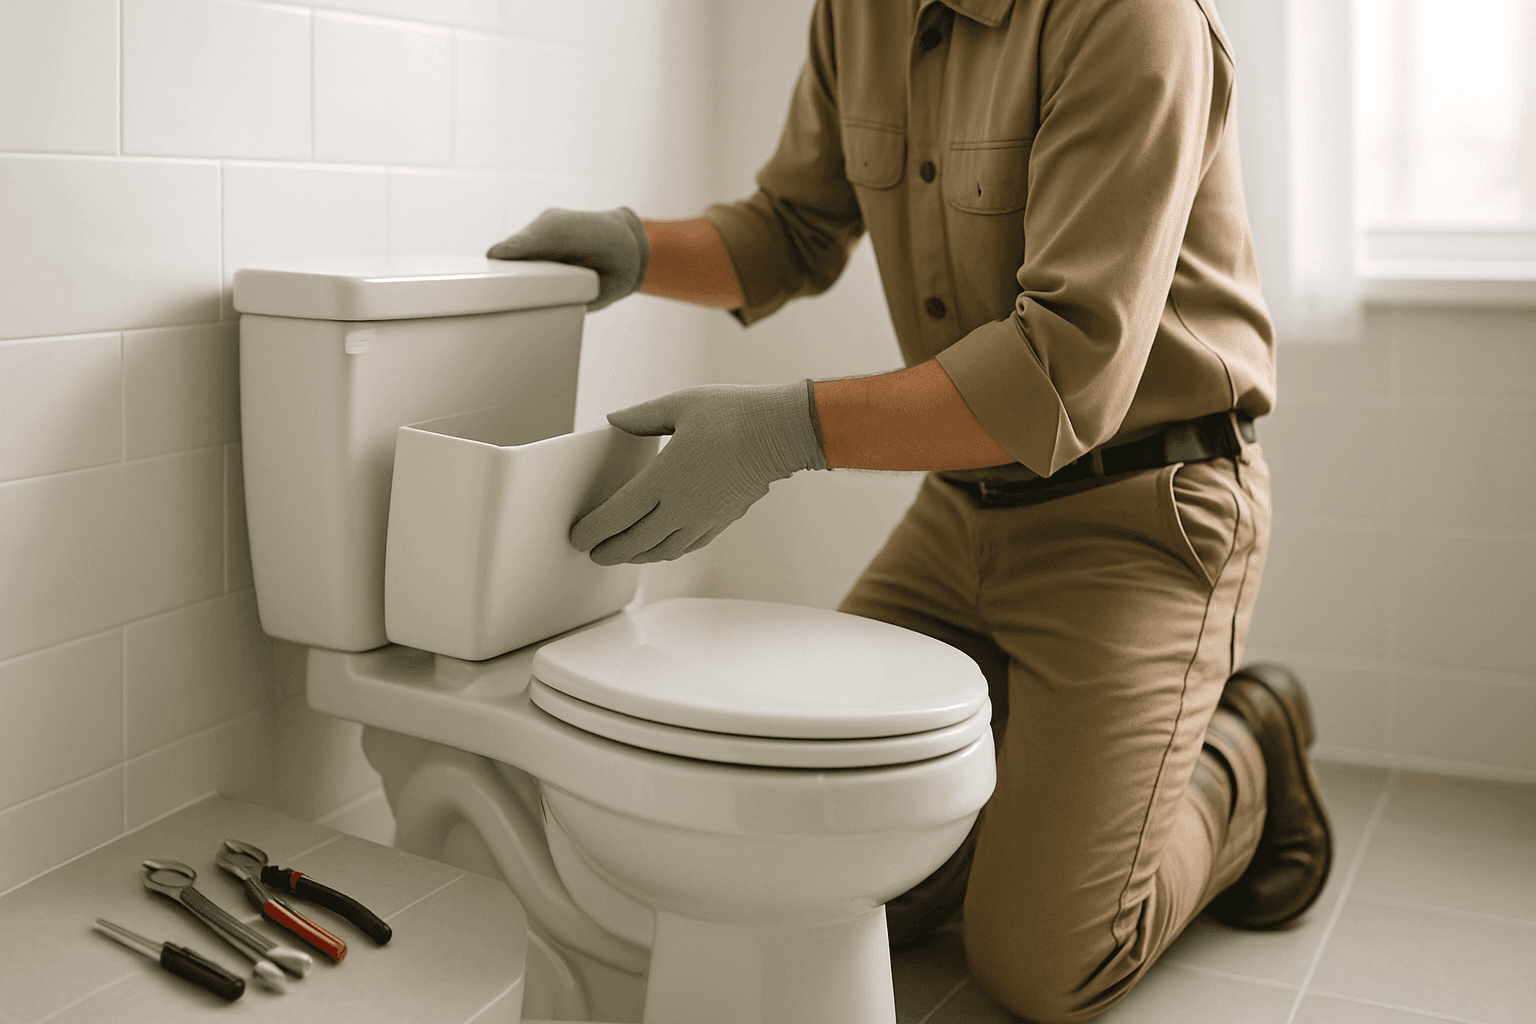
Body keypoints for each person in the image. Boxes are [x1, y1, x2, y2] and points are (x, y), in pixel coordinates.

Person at [487, 0, 1332, 1019]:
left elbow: (1067, 366)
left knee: (1044, 962)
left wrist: (779, 434)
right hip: (963, 509)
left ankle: (1246, 746)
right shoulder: (857, 12)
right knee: (818, 874)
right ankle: (1046, 762)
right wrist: (632, 247)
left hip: (1143, 518)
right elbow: (791, 228)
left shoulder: (1131, 18)